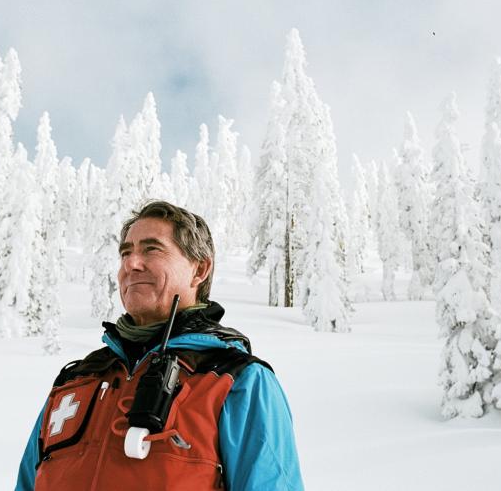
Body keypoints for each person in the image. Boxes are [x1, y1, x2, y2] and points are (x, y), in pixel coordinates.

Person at [15, 201, 303, 490]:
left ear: (199, 269)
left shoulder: (238, 381)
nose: (131, 263)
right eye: (126, 253)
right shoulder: (75, 382)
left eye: (151, 249)